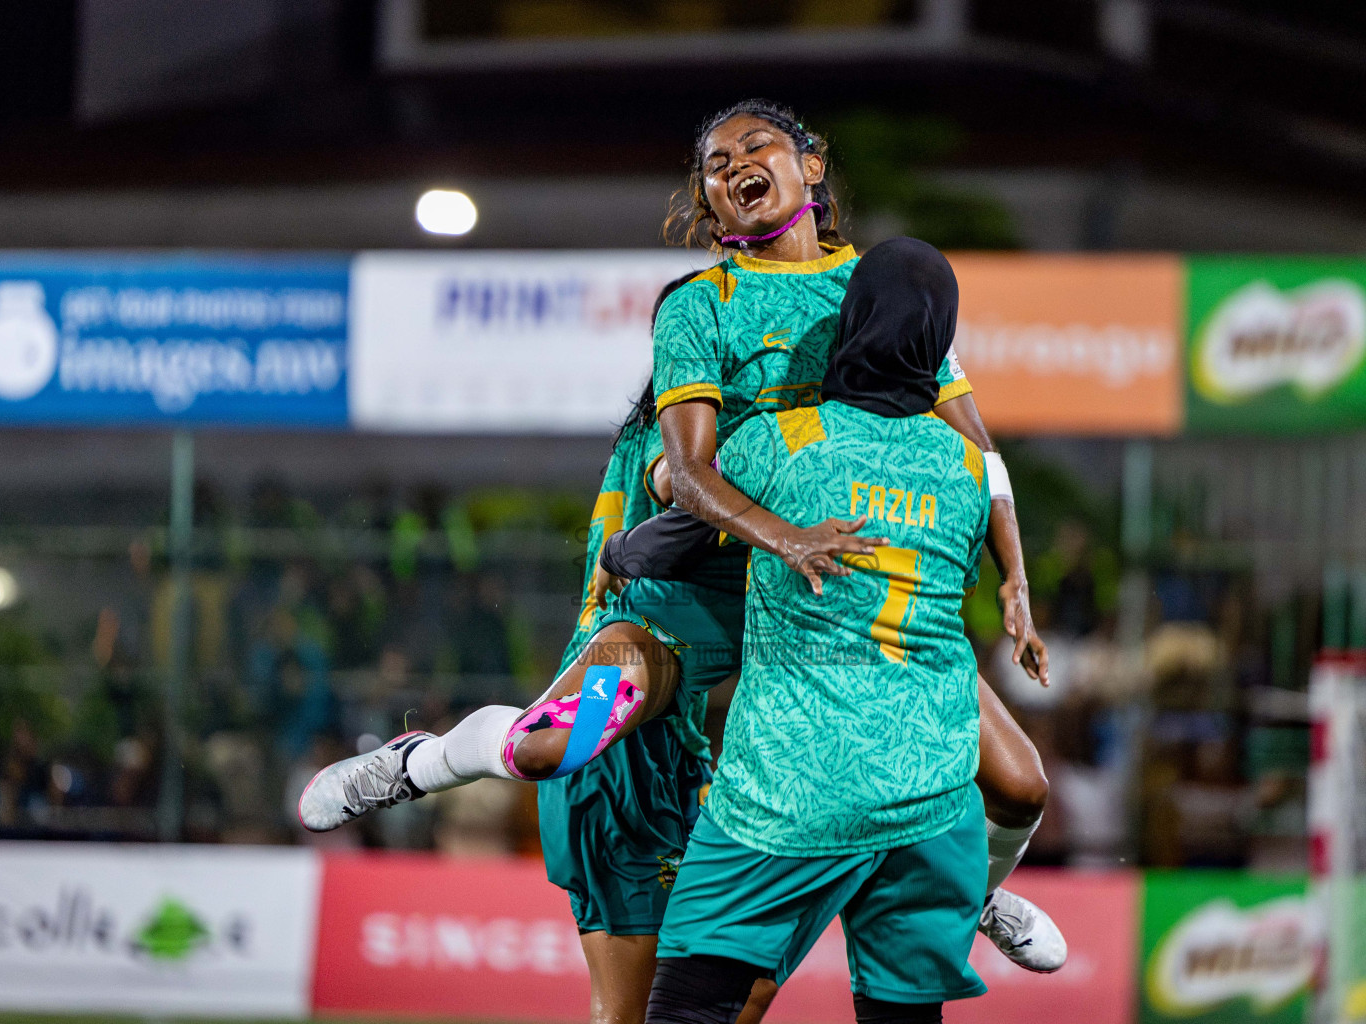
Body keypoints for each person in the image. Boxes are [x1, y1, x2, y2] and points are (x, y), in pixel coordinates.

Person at [298, 99, 1060, 972]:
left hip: (837, 601)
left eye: (757, 144)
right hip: (706, 583)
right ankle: (419, 761)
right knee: (562, 743)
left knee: (1017, 783)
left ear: (810, 166)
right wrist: (785, 538)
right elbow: (684, 475)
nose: (735, 162)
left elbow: (975, 449)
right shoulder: (700, 309)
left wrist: (1014, 576)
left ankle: (972, 896)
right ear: (709, 199)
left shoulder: (878, 288)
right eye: (714, 160)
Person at [641, 236, 1004, 1024]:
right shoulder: (968, 469)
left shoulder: (782, 441)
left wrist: (652, 489)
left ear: (851, 323)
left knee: (688, 1010)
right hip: (933, 791)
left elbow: (675, 511)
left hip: (790, 789)